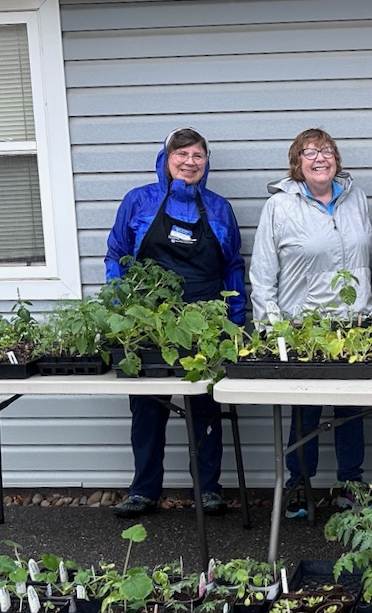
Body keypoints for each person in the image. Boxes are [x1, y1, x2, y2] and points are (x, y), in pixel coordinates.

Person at [104, 127, 246, 518]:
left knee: (205, 407)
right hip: (149, 323)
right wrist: (121, 309)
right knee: (148, 409)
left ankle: (208, 488)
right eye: (181, 154)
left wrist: (237, 320)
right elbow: (116, 255)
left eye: (197, 155)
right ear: (165, 160)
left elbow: (232, 265)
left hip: (206, 322)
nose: (189, 162)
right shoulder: (139, 202)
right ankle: (144, 490)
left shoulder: (218, 208)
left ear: (206, 162)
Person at [249, 128, 372, 517]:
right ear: (297, 162)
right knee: (306, 411)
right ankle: (300, 483)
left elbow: (365, 260)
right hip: (304, 327)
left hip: (352, 326)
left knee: (350, 410)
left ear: (336, 159)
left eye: (326, 151)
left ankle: (349, 483)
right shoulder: (279, 207)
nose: (319, 158)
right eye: (310, 152)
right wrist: (272, 329)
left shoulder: (356, 199)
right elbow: (263, 273)